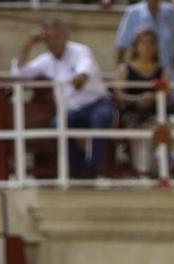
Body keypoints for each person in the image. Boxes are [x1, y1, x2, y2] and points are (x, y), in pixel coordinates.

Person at [10, 20, 115, 179]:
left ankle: (93, 167)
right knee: (57, 125)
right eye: (49, 38)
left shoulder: (81, 51)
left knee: (102, 117)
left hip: (96, 104)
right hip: (72, 111)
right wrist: (29, 44)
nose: (53, 42)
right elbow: (19, 74)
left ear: (65, 37)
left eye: (57, 37)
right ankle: (81, 172)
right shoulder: (46, 60)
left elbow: (84, 71)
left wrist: (81, 77)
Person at [113, 30, 174, 176]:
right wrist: (137, 100)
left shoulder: (163, 71)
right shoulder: (125, 68)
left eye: (151, 43)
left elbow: (168, 96)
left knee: (173, 121)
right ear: (136, 46)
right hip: (132, 112)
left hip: (157, 113)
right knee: (139, 136)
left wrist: (154, 98)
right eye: (144, 42)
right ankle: (140, 169)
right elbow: (118, 94)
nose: (147, 47)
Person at [113, 0, 174, 85]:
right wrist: (120, 79)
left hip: (169, 72)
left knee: (170, 97)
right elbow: (121, 46)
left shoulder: (173, 12)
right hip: (142, 76)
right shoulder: (133, 13)